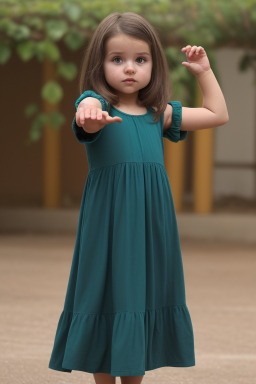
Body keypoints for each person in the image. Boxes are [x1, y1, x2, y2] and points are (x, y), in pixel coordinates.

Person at [48, 11, 229, 384]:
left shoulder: (157, 114)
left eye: (140, 60)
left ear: (154, 65)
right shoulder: (95, 104)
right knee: (105, 297)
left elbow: (217, 114)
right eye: (117, 60)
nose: (129, 69)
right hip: (109, 224)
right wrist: (90, 112)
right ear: (100, 65)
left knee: (141, 297)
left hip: (150, 225)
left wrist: (203, 72)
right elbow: (86, 114)